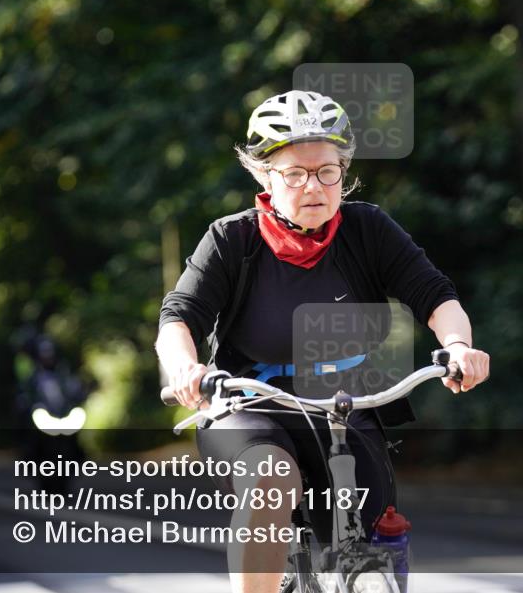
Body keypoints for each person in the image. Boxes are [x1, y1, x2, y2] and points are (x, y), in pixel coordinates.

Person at [156, 90, 490, 593]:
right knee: (269, 479)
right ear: (265, 176)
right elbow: (178, 317)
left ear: (343, 170)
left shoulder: (368, 229)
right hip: (251, 405)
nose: (313, 186)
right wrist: (185, 369)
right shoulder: (231, 240)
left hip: (344, 404)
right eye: (295, 173)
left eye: (327, 170)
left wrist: (459, 346)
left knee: (376, 537)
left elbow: (435, 295)